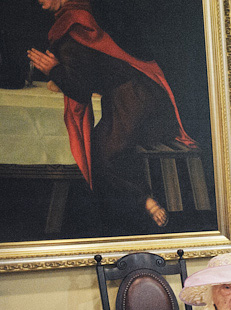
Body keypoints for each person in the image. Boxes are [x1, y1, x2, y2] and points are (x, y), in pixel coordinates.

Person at [27, 0, 196, 234]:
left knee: (102, 151)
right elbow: (93, 71)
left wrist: (53, 70)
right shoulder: (83, 14)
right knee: (104, 146)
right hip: (139, 93)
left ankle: (145, 201)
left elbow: (80, 89)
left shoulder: (72, 29)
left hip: (135, 98)